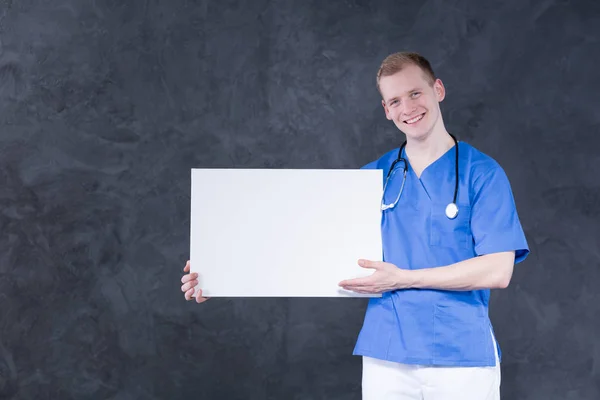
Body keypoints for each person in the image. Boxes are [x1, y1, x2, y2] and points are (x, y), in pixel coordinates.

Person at [181, 51, 530, 400]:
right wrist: (221, 274)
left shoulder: (482, 174)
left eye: (415, 93)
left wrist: (404, 278)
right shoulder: (371, 178)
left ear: (437, 89)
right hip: (388, 355)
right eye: (394, 100)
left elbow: (497, 271)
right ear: (386, 110)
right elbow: (299, 240)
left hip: (462, 356)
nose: (407, 107)